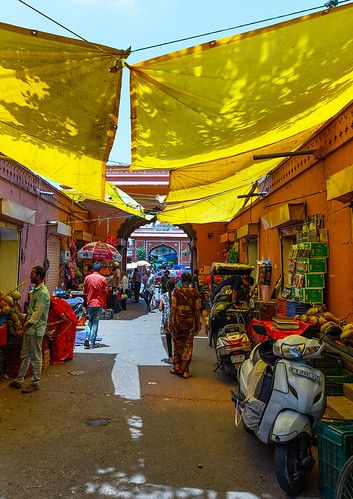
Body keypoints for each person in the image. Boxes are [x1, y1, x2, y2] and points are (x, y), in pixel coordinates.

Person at [9, 266, 50, 393]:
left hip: (36, 330)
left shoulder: (43, 293)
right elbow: (30, 311)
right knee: (25, 355)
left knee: (36, 357)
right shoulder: (35, 291)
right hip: (29, 329)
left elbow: (36, 316)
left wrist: (23, 328)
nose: (30, 276)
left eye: (32, 274)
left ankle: (35, 383)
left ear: (39, 276)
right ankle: (19, 379)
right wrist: (22, 324)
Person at [169, 272, 201, 379]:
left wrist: (170, 321)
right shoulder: (194, 292)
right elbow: (197, 309)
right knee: (188, 344)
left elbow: (173, 307)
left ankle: (176, 367)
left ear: (181, 280)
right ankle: (186, 370)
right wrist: (198, 323)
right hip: (190, 321)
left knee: (178, 343)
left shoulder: (177, 291)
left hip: (178, 320)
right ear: (190, 280)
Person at [83, 262, 108, 348]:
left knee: (90, 321)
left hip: (90, 303)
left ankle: (86, 337)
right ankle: (92, 342)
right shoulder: (103, 279)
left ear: (93, 269)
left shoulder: (87, 278)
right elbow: (105, 291)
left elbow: (84, 291)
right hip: (98, 304)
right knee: (95, 322)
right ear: (100, 269)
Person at [47, 296, 78, 364]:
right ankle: (66, 356)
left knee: (60, 338)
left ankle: (60, 357)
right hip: (66, 320)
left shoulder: (55, 307)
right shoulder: (50, 301)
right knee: (64, 338)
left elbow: (64, 319)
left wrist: (52, 323)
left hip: (68, 321)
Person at [159, 279, 175, 363]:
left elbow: (160, 308)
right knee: (176, 338)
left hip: (166, 319)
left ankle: (170, 357)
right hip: (175, 318)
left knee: (168, 338)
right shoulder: (176, 295)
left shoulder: (163, 295)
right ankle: (177, 356)